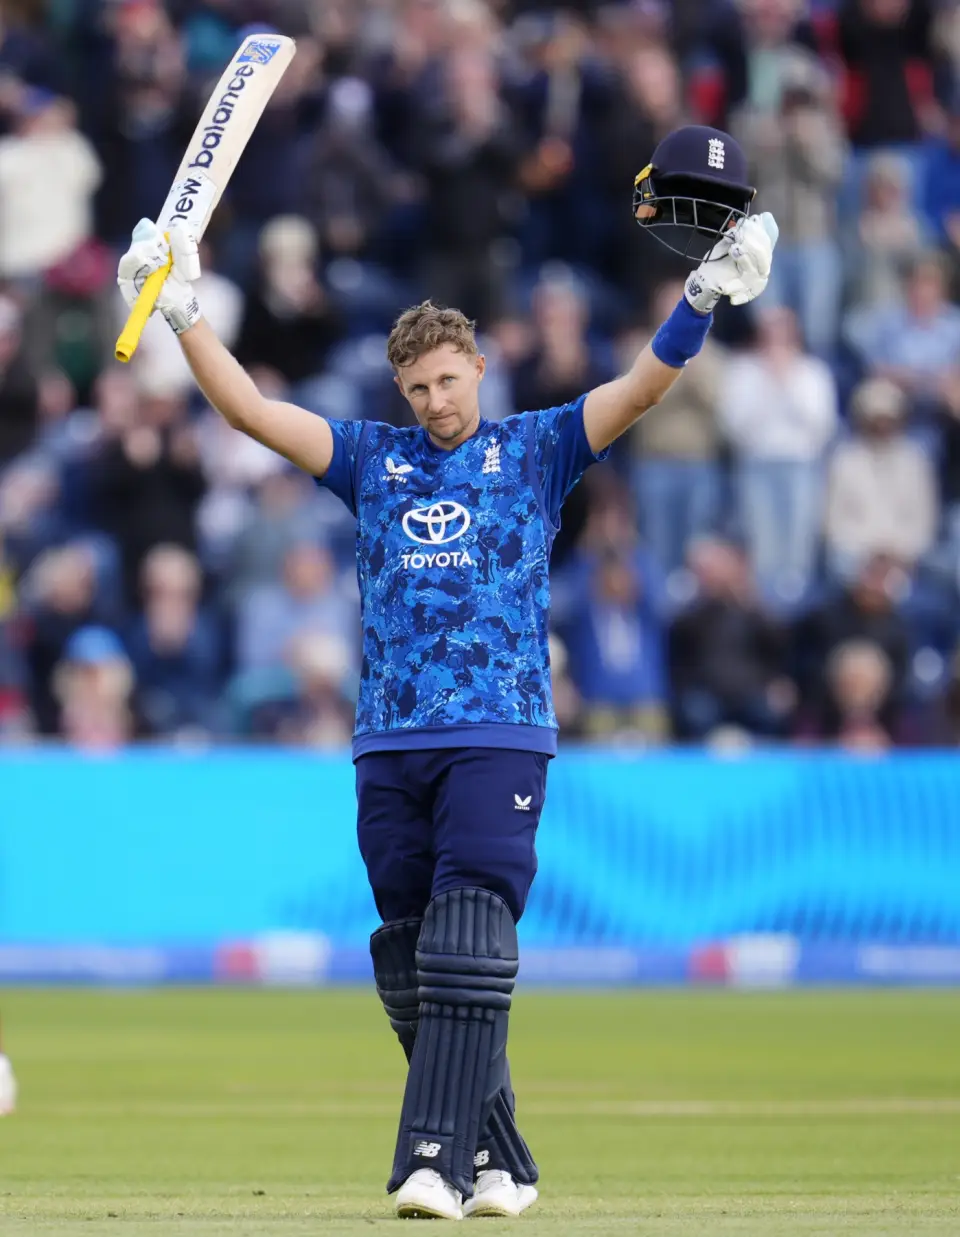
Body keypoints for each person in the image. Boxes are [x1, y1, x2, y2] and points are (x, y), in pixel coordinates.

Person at [117, 125, 778, 1221]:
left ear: (478, 364)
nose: (434, 400)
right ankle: (505, 1163)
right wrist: (184, 308)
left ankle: (428, 1159)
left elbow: (641, 389)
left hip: (499, 728)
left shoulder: (538, 447)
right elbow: (247, 410)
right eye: (416, 386)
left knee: (472, 937)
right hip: (388, 739)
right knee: (411, 965)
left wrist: (699, 302)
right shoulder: (370, 461)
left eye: (446, 378)